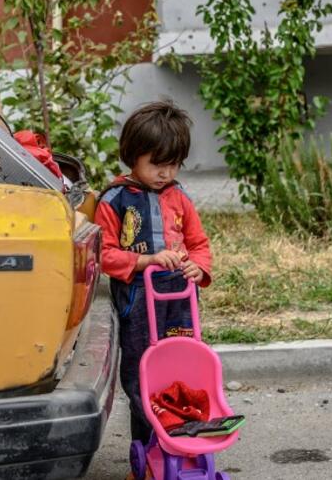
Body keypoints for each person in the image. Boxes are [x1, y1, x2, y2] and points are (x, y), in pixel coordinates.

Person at [96, 101, 213, 466]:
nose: (165, 173)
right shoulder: (115, 200)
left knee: (182, 367)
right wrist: (145, 260)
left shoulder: (180, 198)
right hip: (139, 300)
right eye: (156, 164)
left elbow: (199, 244)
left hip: (179, 300)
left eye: (173, 164)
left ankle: (183, 440)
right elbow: (104, 255)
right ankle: (149, 451)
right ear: (133, 156)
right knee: (142, 373)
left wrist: (198, 267)